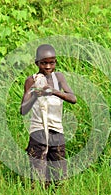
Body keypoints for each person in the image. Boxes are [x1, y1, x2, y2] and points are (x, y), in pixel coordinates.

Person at [20, 44, 76, 187]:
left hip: (56, 130)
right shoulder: (32, 80)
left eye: (51, 62)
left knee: (58, 171)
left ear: (56, 62)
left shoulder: (59, 78)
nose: (48, 66)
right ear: (37, 63)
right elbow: (23, 110)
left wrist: (53, 91)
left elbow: (73, 98)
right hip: (38, 131)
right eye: (44, 63)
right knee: (37, 171)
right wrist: (35, 94)